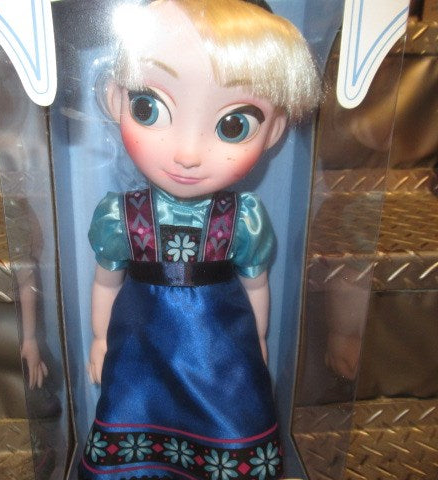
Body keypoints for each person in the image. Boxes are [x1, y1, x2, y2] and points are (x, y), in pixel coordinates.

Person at [79, 0, 320, 478]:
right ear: (115, 99)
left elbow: (256, 284)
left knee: (231, 429)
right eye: (148, 107)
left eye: (233, 125)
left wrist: (259, 340)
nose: (188, 154)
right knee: (133, 423)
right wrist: (101, 338)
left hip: (220, 354)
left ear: (273, 130)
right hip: (141, 349)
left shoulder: (243, 218)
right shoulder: (121, 216)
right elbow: (106, 281)